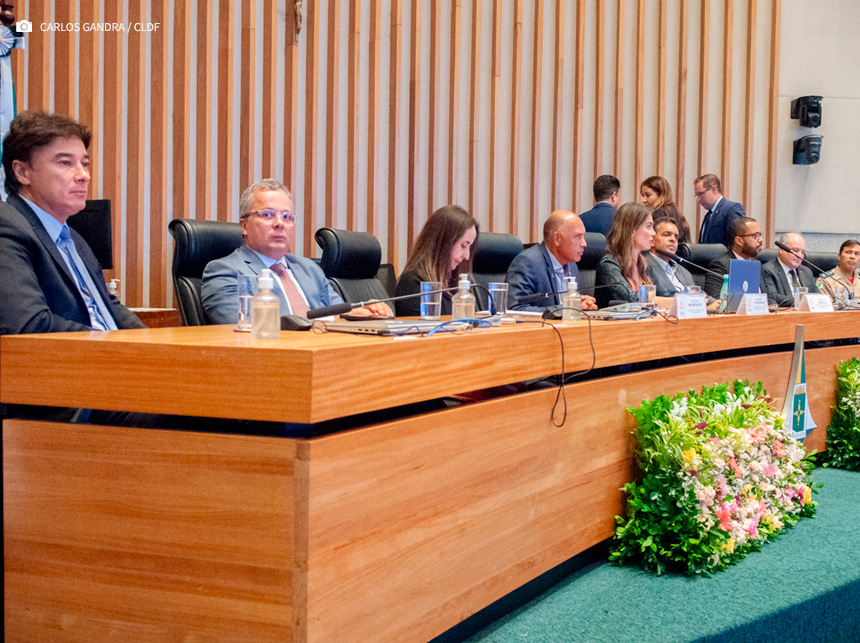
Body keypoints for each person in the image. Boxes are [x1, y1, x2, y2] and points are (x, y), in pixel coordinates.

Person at [0, 111, 145, 336]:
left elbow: (108, 306)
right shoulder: (7, 227)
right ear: (22, 172)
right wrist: (113, 344)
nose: (83, 175)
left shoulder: (73, 238)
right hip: (63, 365)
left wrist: (148, 339)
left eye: (84, 164)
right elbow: (28, 325)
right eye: (65, 162)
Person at [202, 179, 392, 323]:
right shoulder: (224, 271)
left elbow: (338, 313)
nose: (279, 224)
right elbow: (248, 325)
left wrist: (363, 312)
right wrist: (330, 320)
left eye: (287, 217)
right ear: (244, 225)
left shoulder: (309, 269)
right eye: (267, 215)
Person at [394, 205, 478, 316]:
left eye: (469, 247)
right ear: (444, 243)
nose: (467, 256)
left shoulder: (457, 283)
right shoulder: (413, 284)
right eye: (463, 245)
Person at [506, 210, 598, 312]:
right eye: (578, 237)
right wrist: (568, 309)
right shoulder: (527, 262)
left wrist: (581, 304)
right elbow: (515, 309)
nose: (584, 243)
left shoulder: (572, 265)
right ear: (557, 238)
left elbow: (573, 309)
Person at [595, 203, 674, 309]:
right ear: (632, 230)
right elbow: (629, 299)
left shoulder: (645, 265)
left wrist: (688, 298)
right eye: (649, 226)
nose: (654, 233)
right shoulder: (609, 265)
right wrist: (675, 301)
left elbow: (665, 294)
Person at [703, 216, 763, 299]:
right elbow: (716, 301)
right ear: (739, 241)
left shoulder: (756, 265)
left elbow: (769, 298)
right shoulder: (720, 266)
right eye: (755, 236)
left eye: (760, 235)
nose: (760, 240)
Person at [761, 232, 819, 307]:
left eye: (802, 252)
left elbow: (816, 296)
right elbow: (772, 297)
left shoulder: (806, 272)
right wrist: (803, 301)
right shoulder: (768, 270)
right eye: (795, 250)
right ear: (781, 250)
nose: (800, 255)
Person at [645, 217, 700, 296]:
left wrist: (716, 302)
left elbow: (699, 294)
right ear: (652, 240)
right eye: (667, 234)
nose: (673, 239)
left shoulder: (683, 271)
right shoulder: (644, 266)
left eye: (676, 237)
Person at [694, 173, 747, 247]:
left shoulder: (732, 209)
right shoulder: (708, 215)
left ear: (714, 189)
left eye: (701, 194)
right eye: (697, 195)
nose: (699, 199)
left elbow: (736, 243)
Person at [639, 175, 691, 243]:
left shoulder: (659, 213)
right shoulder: (674, 211)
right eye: (643, 196)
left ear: (661, 194)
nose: (644, 200)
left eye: (648, 195)